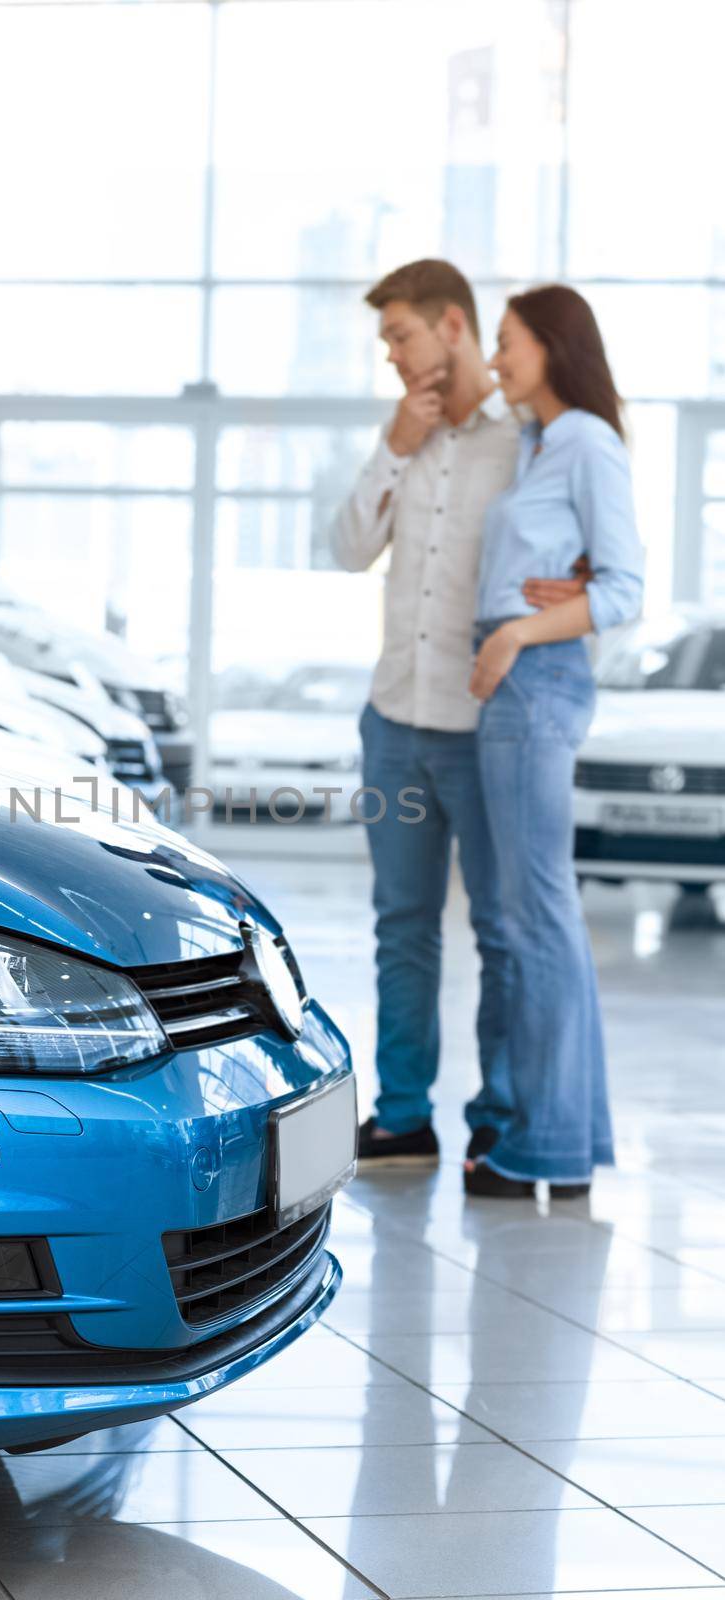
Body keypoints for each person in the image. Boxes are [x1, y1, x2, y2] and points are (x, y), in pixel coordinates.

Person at [330, 259, 587, 1170]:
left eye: (399, 336)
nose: (392, 357)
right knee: (400, 924)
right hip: (393, 723)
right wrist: (394, 445)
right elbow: (348, 546)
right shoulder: (405, 433)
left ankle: (500, 1115)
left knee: (500, 929)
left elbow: (577, 551)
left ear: (451, 329)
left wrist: (584, 581)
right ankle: (402, 1116)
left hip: (487, 732)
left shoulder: (526, 442)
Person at [464, 285, 644, 1198]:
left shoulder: (587, 441)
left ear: (551, 344)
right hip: (510, 684)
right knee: (516, 914)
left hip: (534, 681)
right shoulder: (536, 443)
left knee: (536, 913)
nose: (497, 359)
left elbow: (623, 589)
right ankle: (544, 1132)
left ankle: (550, 1148)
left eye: (508, 342)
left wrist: (511, 636)